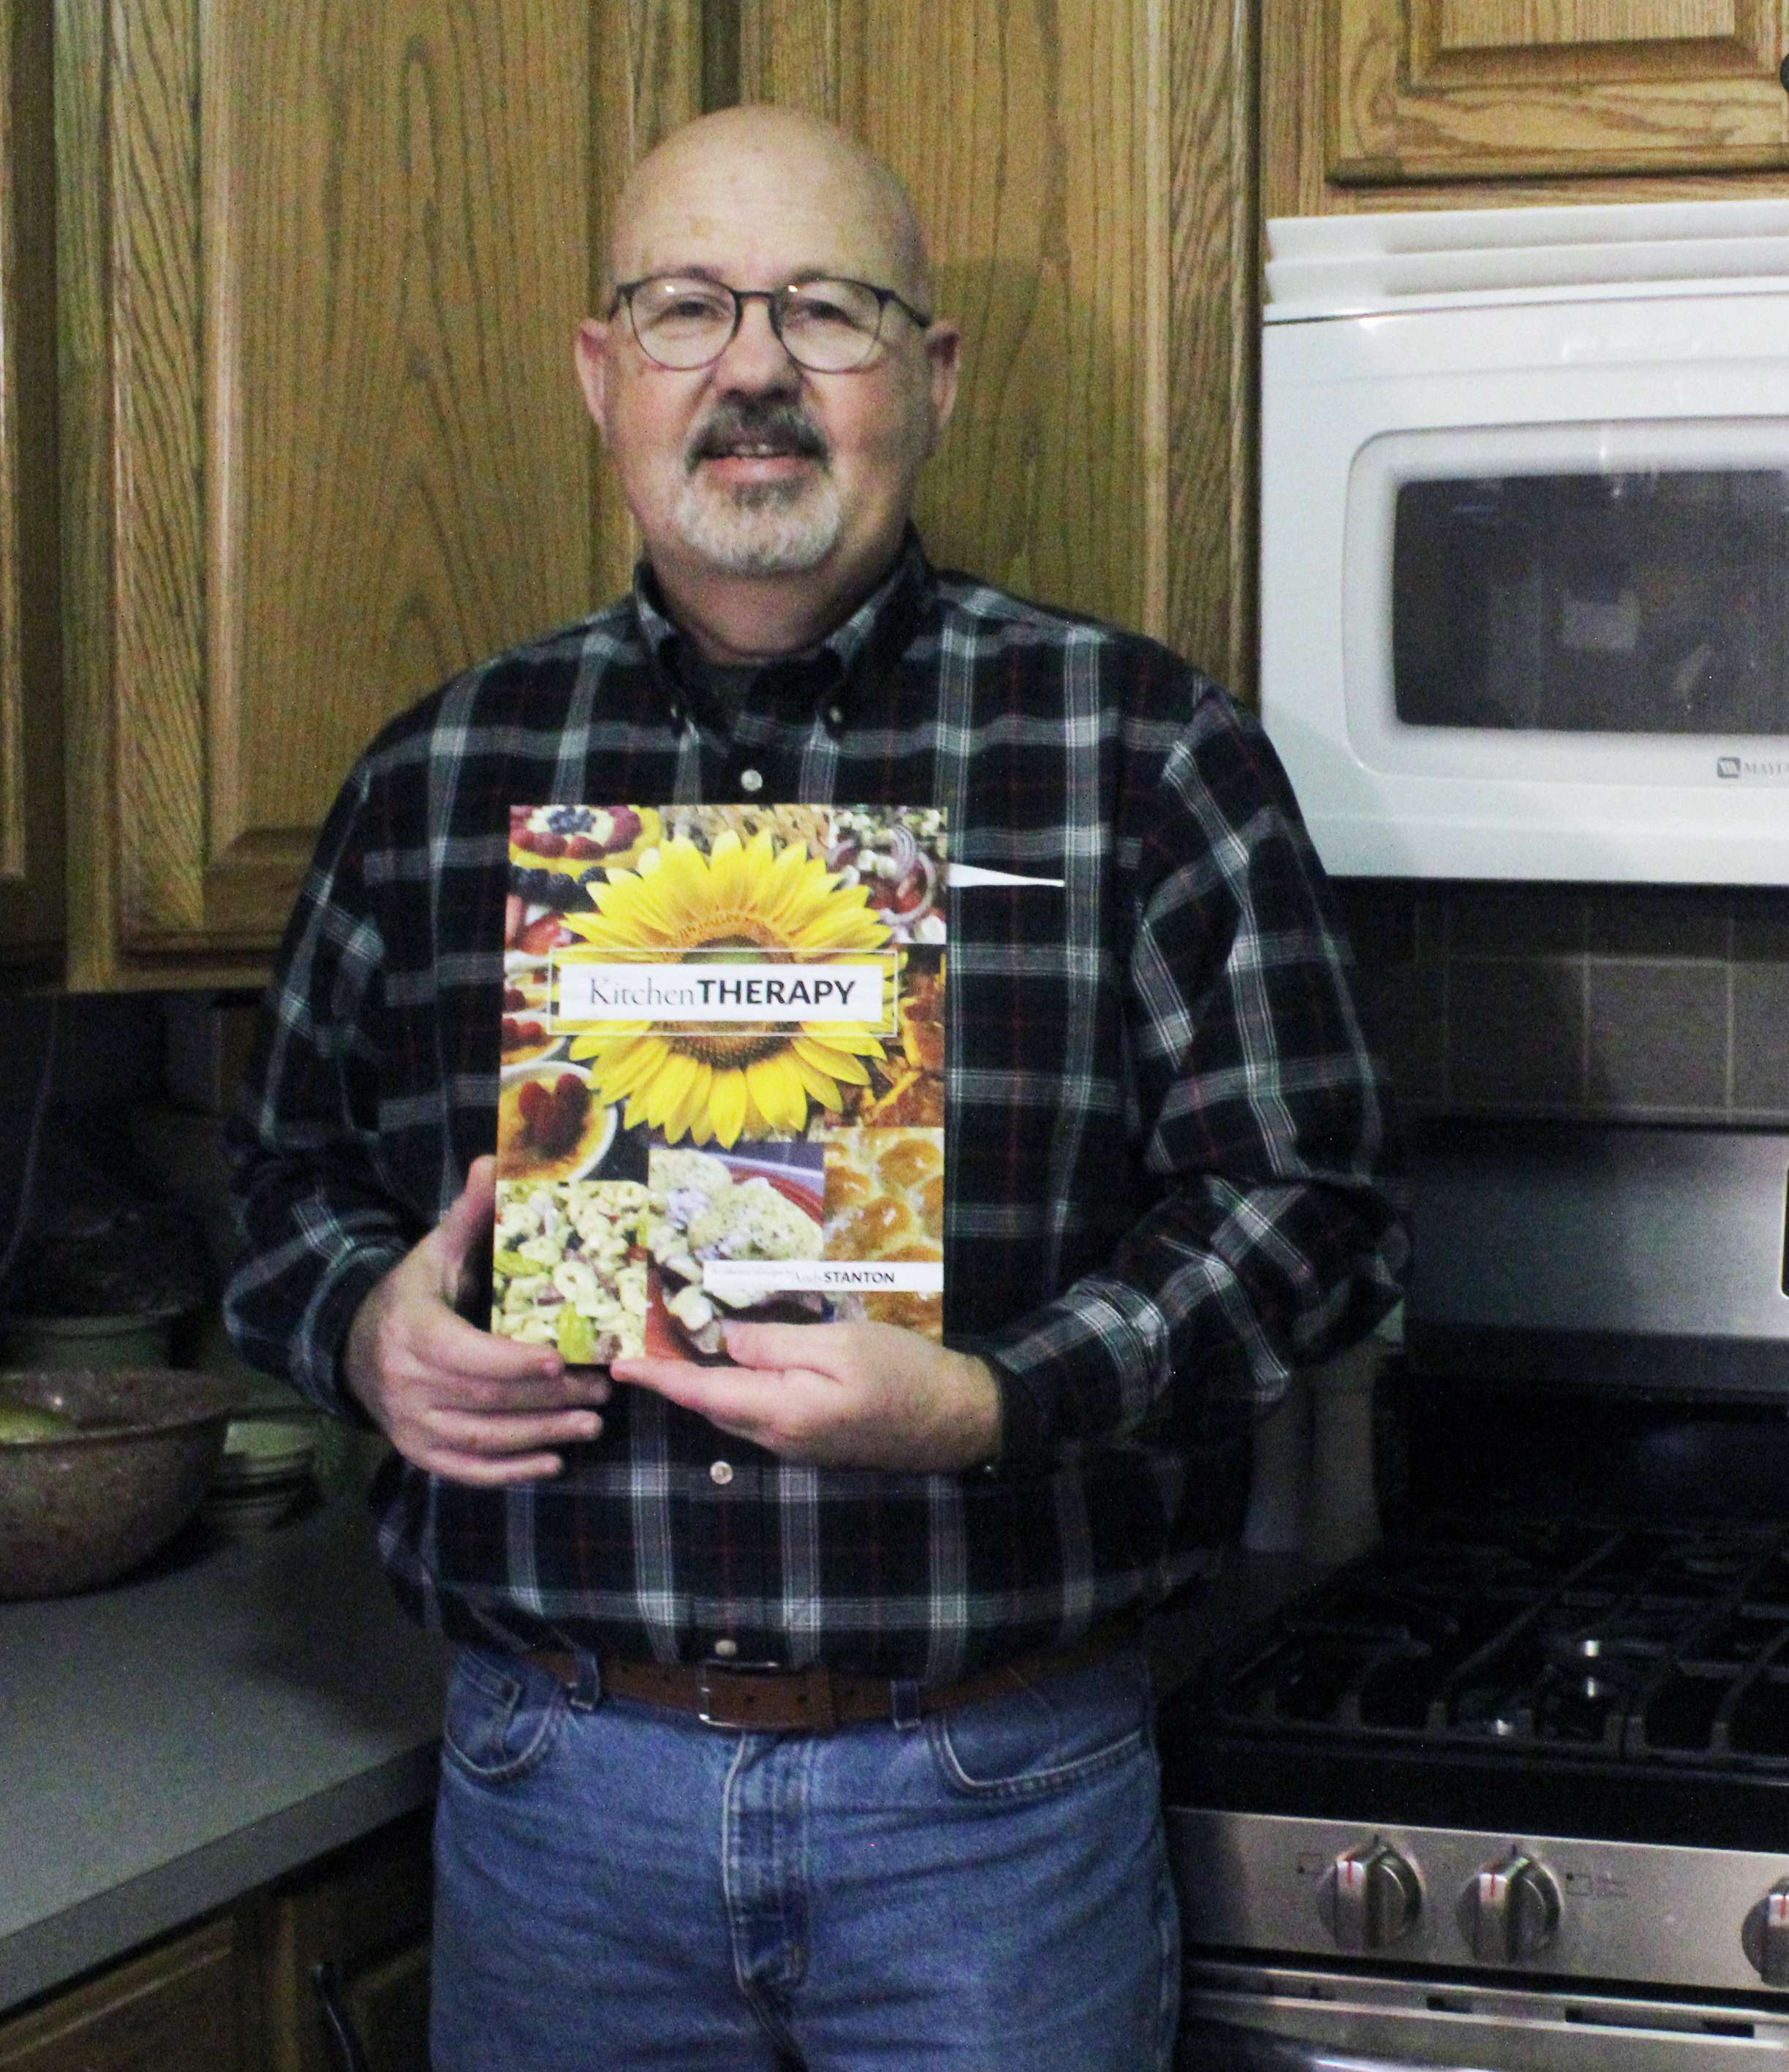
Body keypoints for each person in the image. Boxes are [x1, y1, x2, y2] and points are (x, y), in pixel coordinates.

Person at [223, 105, 1402, 2071]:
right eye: (688, 308)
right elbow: (276, 1190)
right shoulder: (439, 772)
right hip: (554, 1791)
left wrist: (993, 1402)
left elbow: (1319, 1218)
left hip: (990, 1802)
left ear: (928, 380)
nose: (755, 370)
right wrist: (368, 1329)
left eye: (827, 314)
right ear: (603, 374)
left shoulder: (1140, 750)